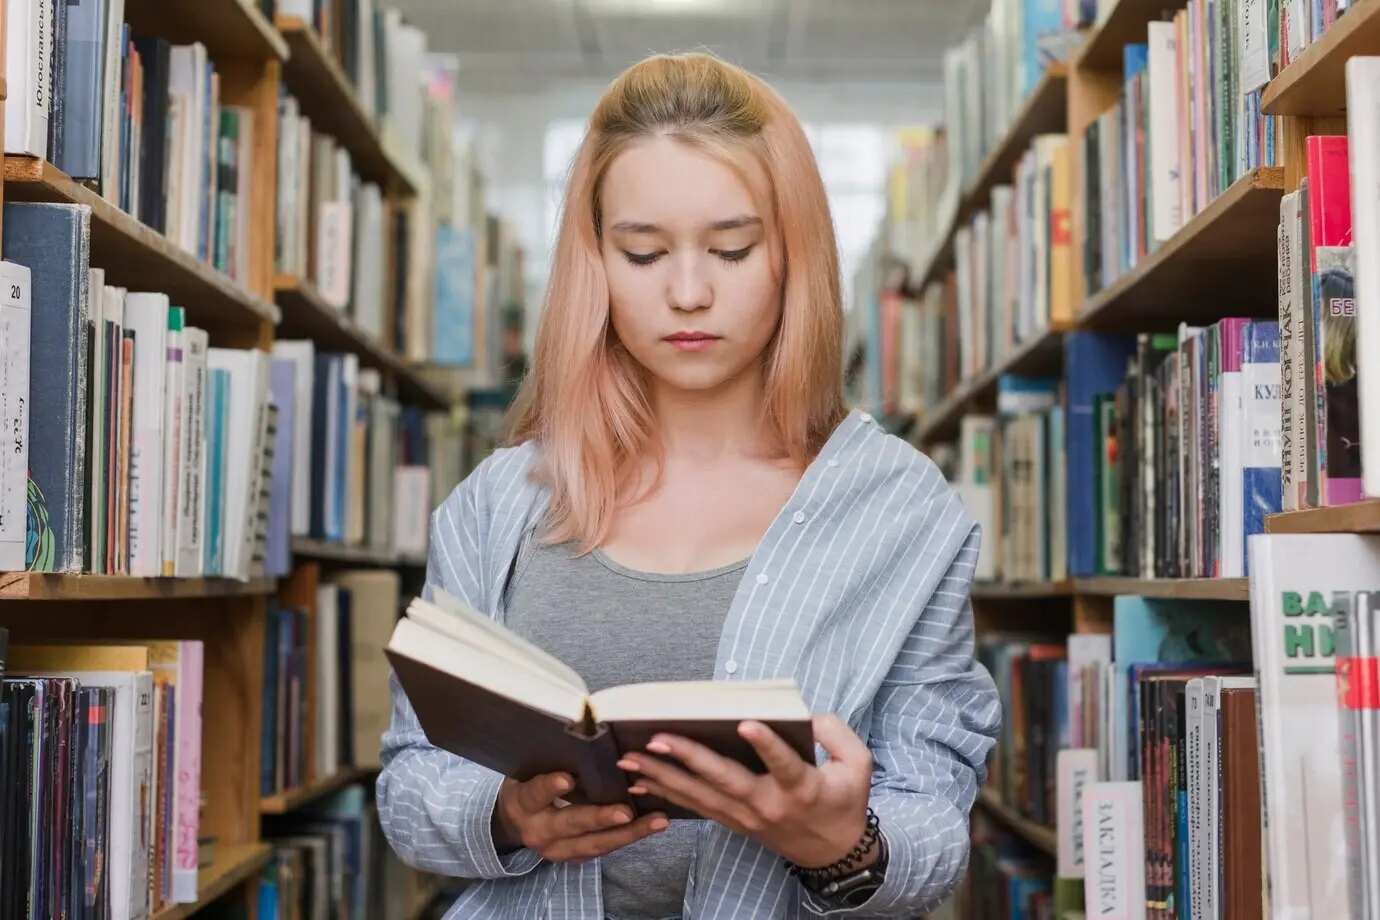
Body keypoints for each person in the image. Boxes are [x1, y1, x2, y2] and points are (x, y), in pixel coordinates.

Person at [376, 50, 1000, 920]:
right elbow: (409, 783)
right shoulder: (498, 503)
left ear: (794, 258)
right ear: (594, 262)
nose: (689, 292)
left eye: (733, 249)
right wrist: (506, 816)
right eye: (641, 253)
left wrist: (845, 846)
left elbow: (936, 816)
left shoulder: (901, 509)